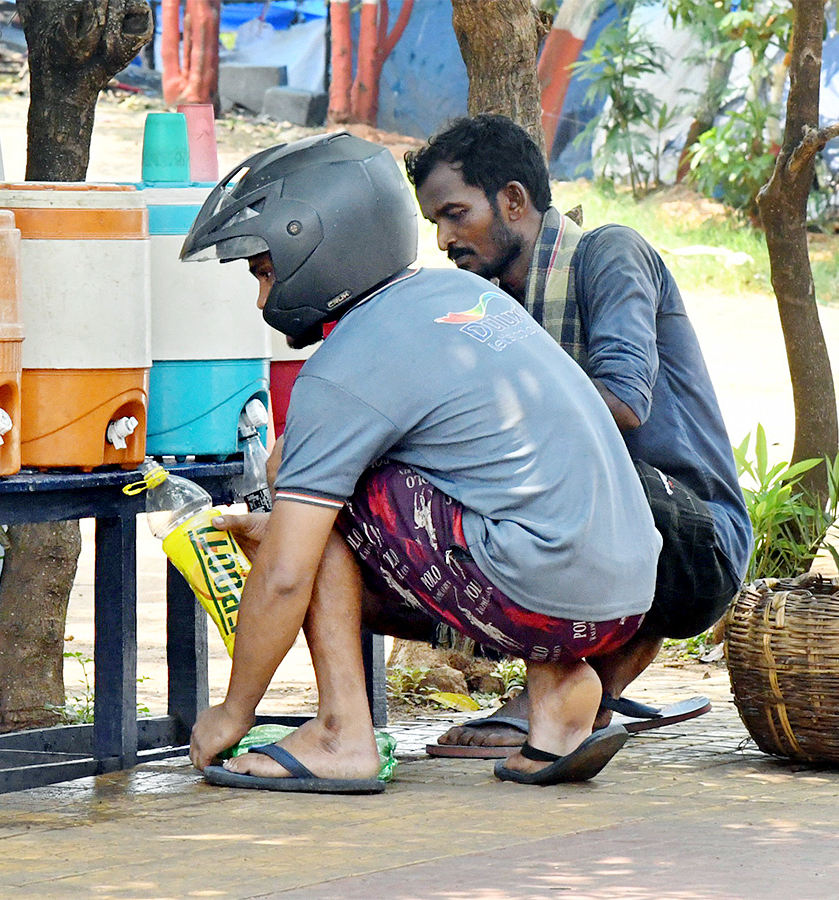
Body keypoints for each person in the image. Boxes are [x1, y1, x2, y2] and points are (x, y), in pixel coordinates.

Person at [179, 131, 662, 792]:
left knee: (309, 482)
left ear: (317, 244)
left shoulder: (346, 366)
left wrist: (232, 712)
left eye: (265, 271)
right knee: (331, 497)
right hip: (627, 602)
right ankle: (557, 694)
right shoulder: (468, 301)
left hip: (541, 590)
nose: (263, 299)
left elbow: (289, 577)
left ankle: (341, 734)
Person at [402, 114, 754, 757]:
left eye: (455, 213)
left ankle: (562, 689)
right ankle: (586, 690)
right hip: (620, 527)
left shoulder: (609, 253)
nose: (446, 238)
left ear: (512, 199)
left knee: (529, 476)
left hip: (697, 537)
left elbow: (621, 404)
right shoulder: (488, 304)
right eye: (436, 224)